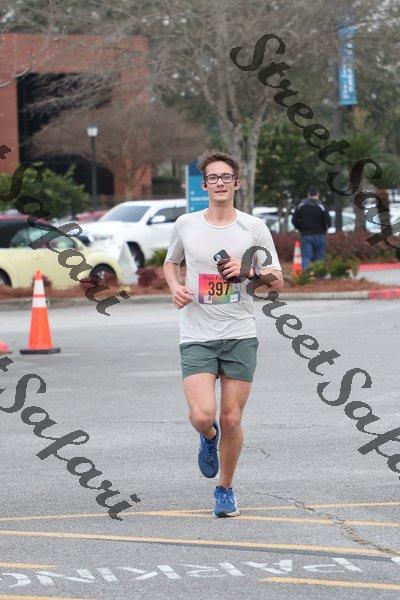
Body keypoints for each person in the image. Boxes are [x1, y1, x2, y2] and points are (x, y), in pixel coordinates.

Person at [163, 150, 283, 518]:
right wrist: (175, 287)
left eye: (225, 177)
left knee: (232, 419)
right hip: (196, 333)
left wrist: (247, 272)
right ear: (204, 185)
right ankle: (207, 436)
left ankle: (225, 489)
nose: (219, 183)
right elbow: (171, 262)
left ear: (237, 183)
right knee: (203, 415)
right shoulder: (186, 224)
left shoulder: (253, 228)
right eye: (213, 177)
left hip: (239, 333)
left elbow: (277, 280)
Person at [291, 186, 331, 269]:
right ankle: (319, 273)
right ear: (318, 194)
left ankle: (306, 274)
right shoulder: (321, 206)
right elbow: (328, 221)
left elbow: (294, 220)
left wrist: (300, 229)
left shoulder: (301, 205)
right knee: (320, 257)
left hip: (306, 234)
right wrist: (325, 229)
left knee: (306, 256)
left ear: (308, 194)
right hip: (320, 234)